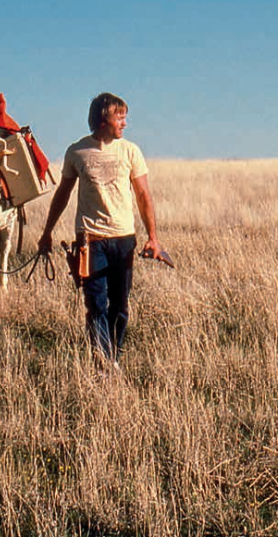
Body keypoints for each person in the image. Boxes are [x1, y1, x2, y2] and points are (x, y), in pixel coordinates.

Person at [38, 92, 169, 369]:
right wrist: (47, 232)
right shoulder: (77, 152)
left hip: (124, 239)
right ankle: (103, 365)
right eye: (119, 117)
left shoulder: (130, 151)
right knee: (96, 305)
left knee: (120, 306)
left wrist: (153, 238)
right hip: (90, 240)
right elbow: (62, 194)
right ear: (102, 120)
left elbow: (143, 195)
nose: (124, 123)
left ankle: (114, 356)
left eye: (124, 117)